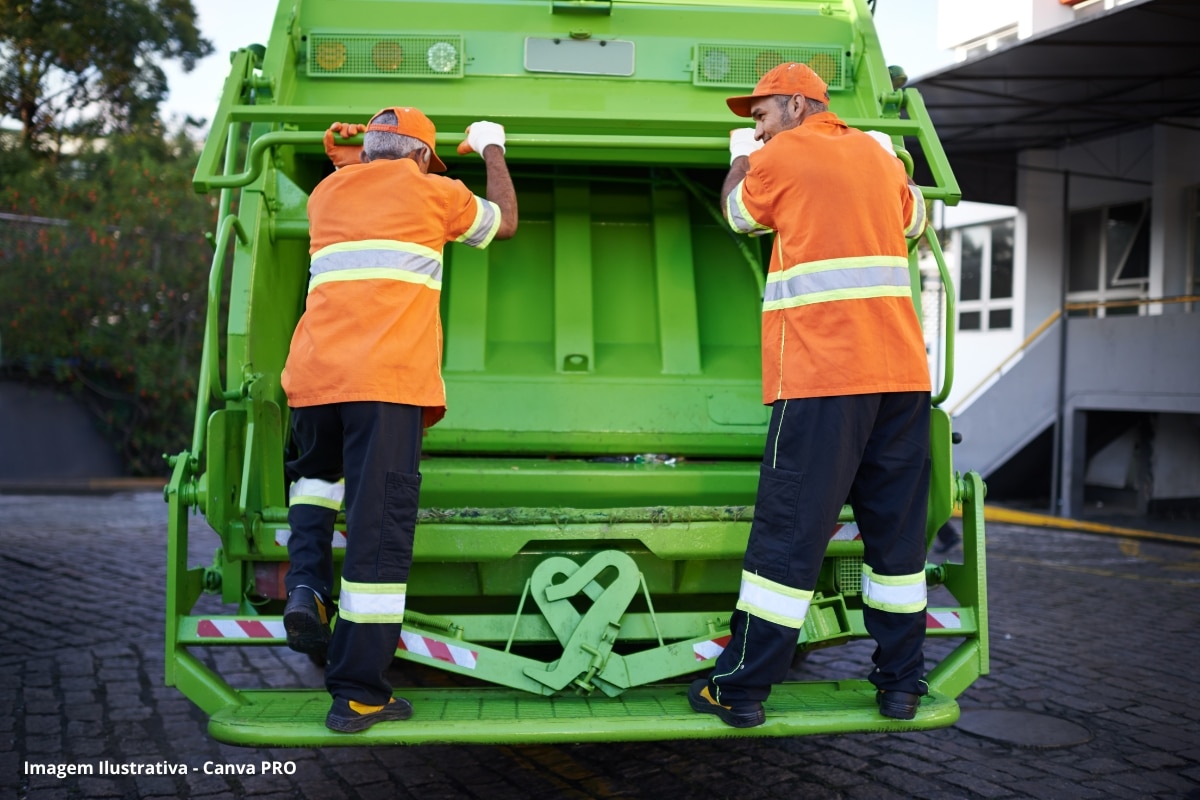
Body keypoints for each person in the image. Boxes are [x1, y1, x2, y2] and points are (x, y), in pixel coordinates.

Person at [687, 62, 931, 728]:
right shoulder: (878, 159)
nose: (754, 128)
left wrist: (739, 161)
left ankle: (739, 690)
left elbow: (738, 216)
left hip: (823, 380)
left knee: (788, 540)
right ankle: (902, 685)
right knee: (898, 546)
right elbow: (913, 225)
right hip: (902, 381)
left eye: (759, 115)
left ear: (796, 104)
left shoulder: (780, 156)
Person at [279, 106, 517, 733]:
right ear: (417, 158)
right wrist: (492, 149)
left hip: (313, 377)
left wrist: (344, 154)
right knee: (377, 534)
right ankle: (359, 693)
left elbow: (365, 175)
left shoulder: (328, 192)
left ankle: (305, 586)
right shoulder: (435, 192)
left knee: (315, 482)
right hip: (383, 386)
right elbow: (506, 223)